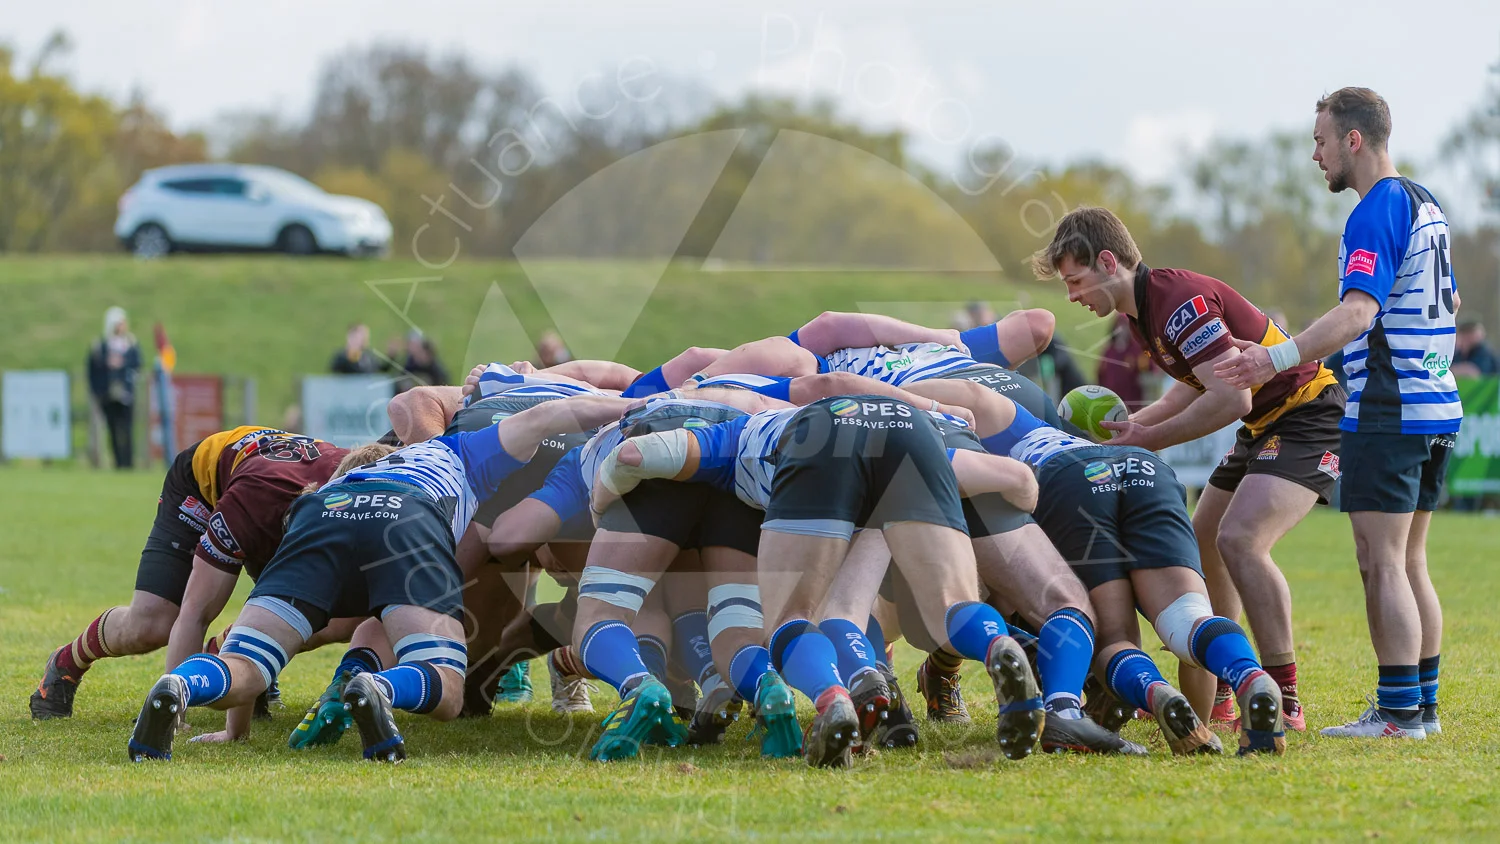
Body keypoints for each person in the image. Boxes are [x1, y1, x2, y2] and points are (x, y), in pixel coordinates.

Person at [126, 393, 635, 763]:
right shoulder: (457, 450)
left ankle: (181, 684)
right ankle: (380, 689)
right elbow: (551, 415)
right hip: (406, 517)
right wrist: (631, 406)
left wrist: (235, 733)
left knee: (248, 662)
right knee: (447, 686)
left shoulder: (342, 476)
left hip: (319, 515)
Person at [1032, 206, 1346, 731]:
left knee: (1241, 540)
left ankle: (1285, 695)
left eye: (1076, 281)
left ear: (1109, 262)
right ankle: (1225, 684)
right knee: (1203, 543)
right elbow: (1200, 376)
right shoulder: (1143, 313)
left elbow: (1232, 398)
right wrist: (1140, 423)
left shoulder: (1177, 301)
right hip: (1264, 424)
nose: (1072, 297)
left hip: (1305, 412)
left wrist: (1150, 438)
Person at [1217, 87, 1459, 739]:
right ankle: (1422, 709)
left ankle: (1399, 713)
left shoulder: (1375, 210)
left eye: (1321, 141)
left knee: (1381, 561)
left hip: (1390, 408)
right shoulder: (1425, 203)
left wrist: (1274, 359)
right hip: (1434, 405)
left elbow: (1358, 313)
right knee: (1409, 562)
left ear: (1354, 140)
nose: (1315, 155)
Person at [30, 428, 349, 721]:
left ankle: (231, 663)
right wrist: (172, 717)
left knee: (328, 617)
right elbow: (196, 612)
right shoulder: (252, 505)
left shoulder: (368, 485)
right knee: (153, 624)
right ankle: (66, 661)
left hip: (280, 491)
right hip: (206, 486)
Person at [87, 307, 141, 470]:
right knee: (112, 428)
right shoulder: (101, 346)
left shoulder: (131, 343)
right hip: (108, 395)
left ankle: (128, 462)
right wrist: (98, 391)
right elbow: (92, 370)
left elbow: (137, 365)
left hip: (126, 394)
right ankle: (118, 463)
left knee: (127, 428)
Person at [1096, 313, 1152, 410]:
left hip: (1133, 406)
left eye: (1126, 325)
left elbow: (1148, 371)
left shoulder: (1137, 351)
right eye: (1120, 325)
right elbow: (1100, 374)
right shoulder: (1108, 350)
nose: (1122, 329)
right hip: (1110, 404)